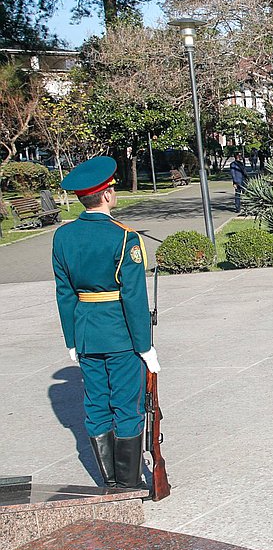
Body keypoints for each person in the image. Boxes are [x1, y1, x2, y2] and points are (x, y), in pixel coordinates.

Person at [52, 156, 160, 490]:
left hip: (86, 334)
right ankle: (127, 486)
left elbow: (64, 292)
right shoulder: (124, 238)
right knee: (126, 405)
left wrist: (71, 339)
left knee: (96, 404)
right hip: (121, 336)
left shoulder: (63, 237)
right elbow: (134, 298)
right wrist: (145, 347)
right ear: (108, 195)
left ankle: (109, 480)